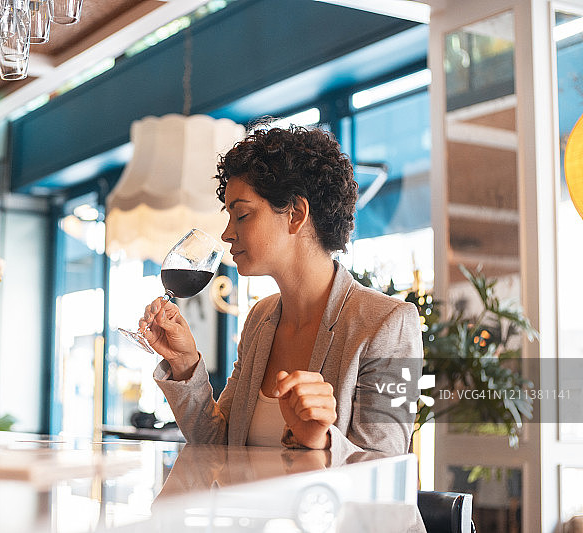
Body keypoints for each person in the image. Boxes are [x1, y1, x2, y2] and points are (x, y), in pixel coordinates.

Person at [138, 126, 423, 457]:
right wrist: (184, 362)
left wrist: (320, 440)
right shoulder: (261, 319)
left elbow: (385, 471)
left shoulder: (391, 323)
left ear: (296, 215)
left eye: (241, 214)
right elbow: (219, 447)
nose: (228, 234)